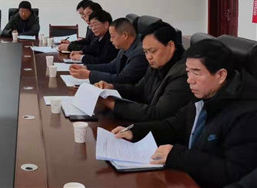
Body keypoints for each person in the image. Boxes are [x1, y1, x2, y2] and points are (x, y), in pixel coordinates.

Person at [113, 40, 257, 188]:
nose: (189, 80)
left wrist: (178, 156)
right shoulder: (205, 95)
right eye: (188, 72)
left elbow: (232, 173)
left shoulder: (247, 114)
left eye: (196, 73)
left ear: (221, 75)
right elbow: (174, 126)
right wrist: (135, 131)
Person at [96, 21, 192, 121]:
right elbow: (140, 90)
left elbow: (157, 113)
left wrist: (111, 104)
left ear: (170, 46)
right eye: (145, 52)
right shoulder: (158, 63)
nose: (148, 57)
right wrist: (112, 87)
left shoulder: (183, 74)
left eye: (153, 51)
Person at [70, 17, 147, 85]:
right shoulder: (125, 47)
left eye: (112, 36)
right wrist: (85, 67)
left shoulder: (139, 54)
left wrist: (89, 75)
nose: (111, 40)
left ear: (124, 35)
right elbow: (111, 66)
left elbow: (122, 79)